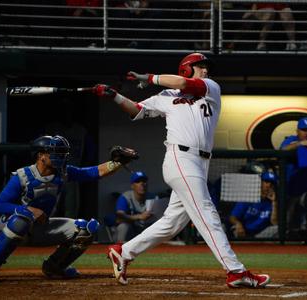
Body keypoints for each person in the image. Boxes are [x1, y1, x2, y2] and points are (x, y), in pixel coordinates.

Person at [93, 52, 270, 288]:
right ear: (186, 68)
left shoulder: (210, 87)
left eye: (206, 67)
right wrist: (114, 96)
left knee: (172, 223)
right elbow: (136, 110)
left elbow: (184, 83)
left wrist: (149, 77)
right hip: (181, 158)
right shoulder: (167, 95)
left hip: (200, 163)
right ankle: (236, 271)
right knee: (207, 213)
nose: (205, 70)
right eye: (200, 67)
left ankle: (123, 252)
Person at [0, 135, 132, 281]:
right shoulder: (22, 176)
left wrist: (117, 162)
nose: (61, 157)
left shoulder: (63, 172)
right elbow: (0, 206)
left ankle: (55, 266)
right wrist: (29, 210)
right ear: (41, 156)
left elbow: (92, 172)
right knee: (21, 221)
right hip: (14, 227)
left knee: (86, 229)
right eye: (55, 153)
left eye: (62, 153)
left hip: (41, 227)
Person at [279, 117, 307, 232]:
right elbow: (282, 150)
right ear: (297, 131)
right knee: (285, 224)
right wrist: (300, 144)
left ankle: (305, 230)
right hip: (290, 189)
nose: (306, 133)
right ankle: (284, 242)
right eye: (303, 130)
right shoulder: (291, 140)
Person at [229, 171, 278, 239]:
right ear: (260, 183)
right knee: (235, 229)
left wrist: (274, 202)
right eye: (266, 182)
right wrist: (238, 224)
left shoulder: (273, 202)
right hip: (244, 232)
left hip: (261, 235)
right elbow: (232, 217)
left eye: (271, 183)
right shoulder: (248, 197)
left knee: (277, 228)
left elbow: (274, 222)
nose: (268, 185)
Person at [113, 171, 157, 242]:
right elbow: (119, 218)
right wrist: (139, 216)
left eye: (144, 181)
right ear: (132, 186)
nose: (142, 184)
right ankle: (120, 249)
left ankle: (163, 249)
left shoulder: (153, 198)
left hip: (146, 229)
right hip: (131, 230)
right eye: (138, 181)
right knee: (123, 227)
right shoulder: (125, 197)